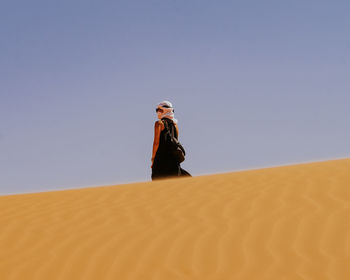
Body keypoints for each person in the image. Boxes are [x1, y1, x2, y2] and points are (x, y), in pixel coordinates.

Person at [151, 101, 191, 180]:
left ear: (167, 110)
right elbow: (176, 142)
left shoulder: (159, 123)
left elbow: (156, 143)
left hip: (161, 159)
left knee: (158, 183)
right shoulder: (175, 125)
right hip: (173, 160)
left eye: (160, 110)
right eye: (157, 110)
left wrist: (153, 159)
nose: (158, 112)